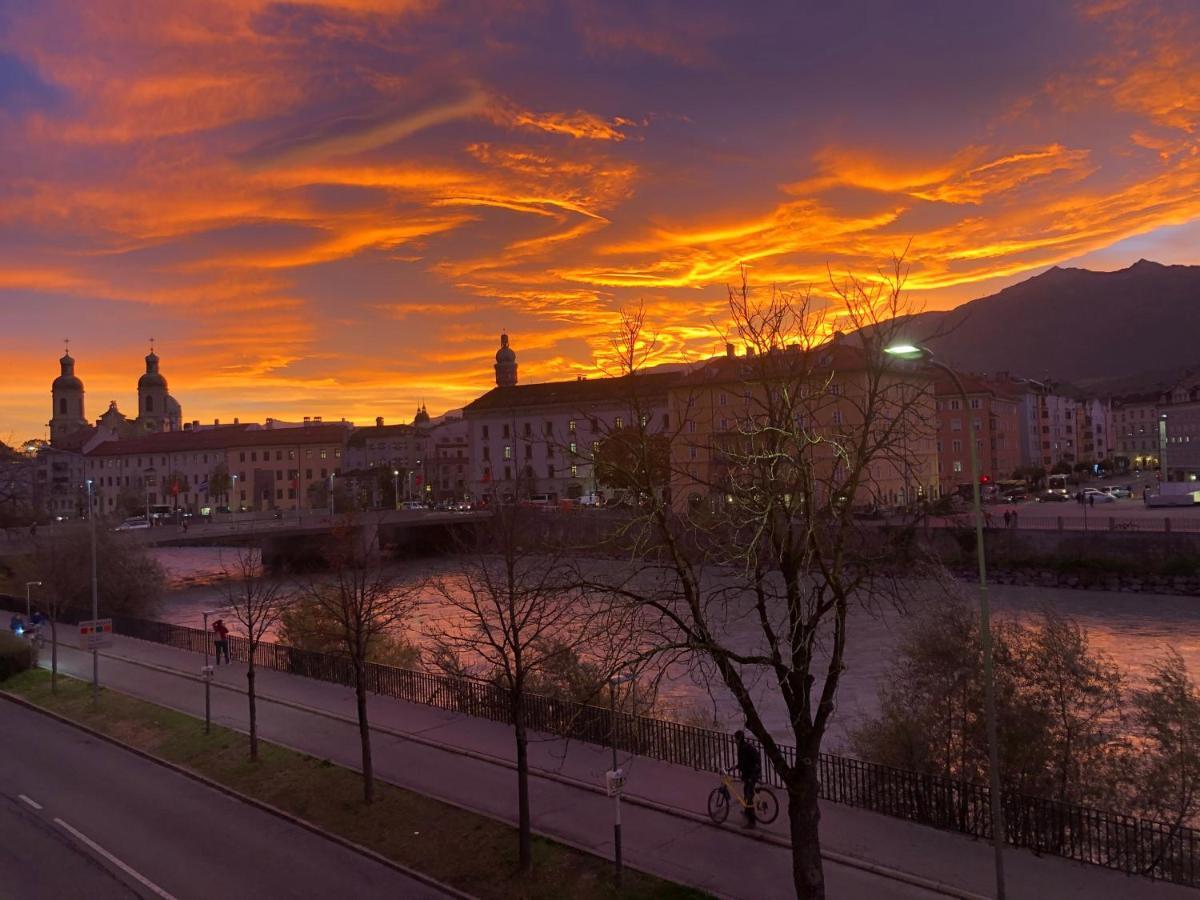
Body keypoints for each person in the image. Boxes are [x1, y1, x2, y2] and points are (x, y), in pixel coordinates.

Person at [734, 729, 761, 828]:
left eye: (735, 739)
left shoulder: (743, 748)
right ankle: (746, 812)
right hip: (752, 772)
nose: (734, 741)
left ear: (739, 739)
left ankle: (752, 822)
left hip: (752, 774)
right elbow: (743, 763)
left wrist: (749, 776)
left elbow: (745, 764)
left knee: (749, 797)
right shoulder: (743, 746)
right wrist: (736, 767)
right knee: (746, 792)